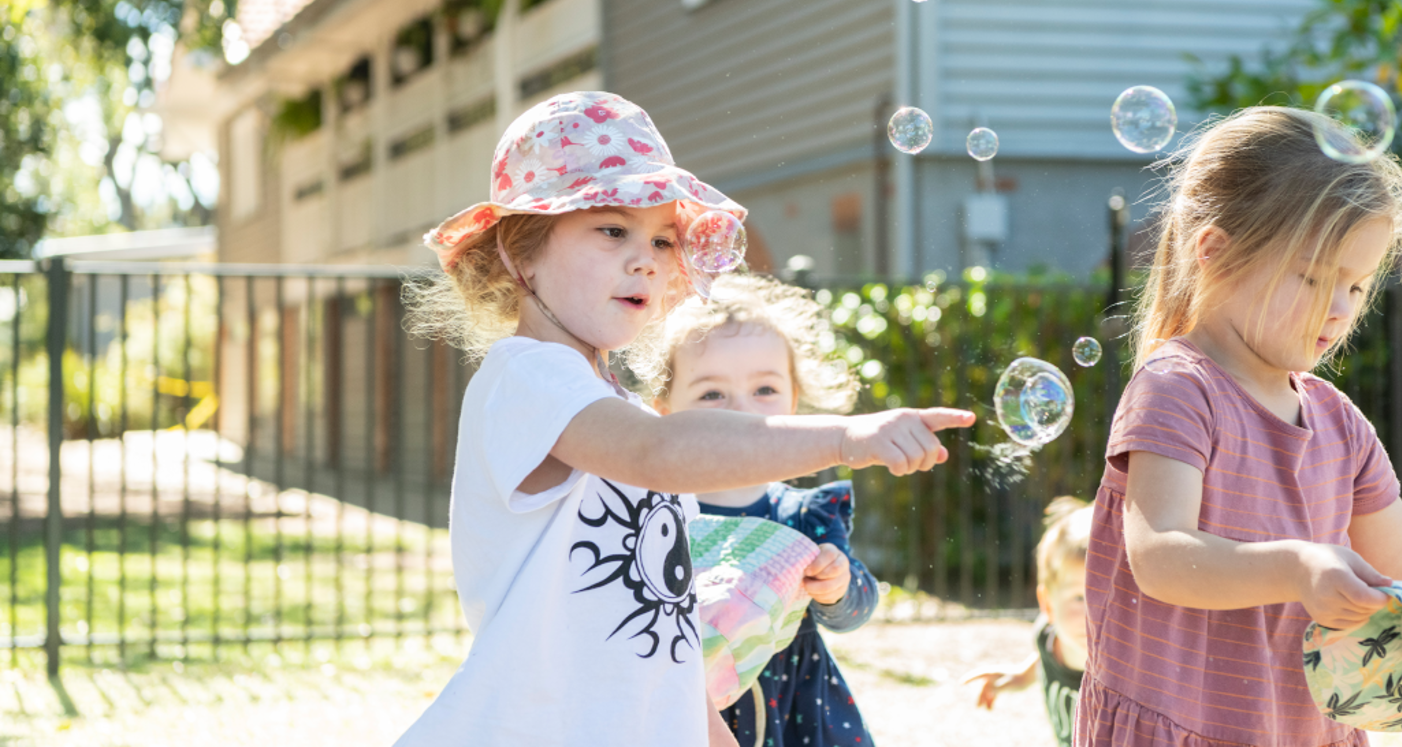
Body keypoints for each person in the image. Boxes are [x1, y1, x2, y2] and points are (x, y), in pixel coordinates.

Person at [394, 92, 973, 747]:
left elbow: (671, 640)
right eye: (612, 229)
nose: (646, 258)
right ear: (520, 252)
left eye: (663, 238)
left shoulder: (627, 411)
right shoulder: (527, 375)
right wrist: (844, 436)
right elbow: (658, 450)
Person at [1076, 105, 1402, 747]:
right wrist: (1297, 566)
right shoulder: (1180, 389)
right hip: (1182, 728)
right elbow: (1160, 554)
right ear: (1215, 252)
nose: (1340, 308)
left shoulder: (1337, 421)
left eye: (1356, 285)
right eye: (1313, 277)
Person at [642, 273, 880, 747]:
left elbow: (855, 611)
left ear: (793, 401)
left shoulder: (806, 516)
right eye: (712, 394)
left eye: (765, 390)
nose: (741, 413)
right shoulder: (660, 517)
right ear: (665, 410)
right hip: (688, 712)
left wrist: (836, 587)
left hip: (797, 715)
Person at [966, 496, 1092, 746]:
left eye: (1108, 596)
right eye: (1079, 597)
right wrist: (1020, 677)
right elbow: (1046, 657)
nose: (1094, 614)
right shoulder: (1046, 635)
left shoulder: (1123, 663)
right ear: (1048, 605)